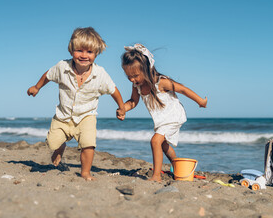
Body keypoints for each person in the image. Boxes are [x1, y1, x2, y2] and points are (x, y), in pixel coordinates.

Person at [27, 27, 125, 180]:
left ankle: (85, 172)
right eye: (79, 50)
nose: (84, 55)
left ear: (96, 53)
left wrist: (121, 107)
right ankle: (59, 148)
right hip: (63, 115)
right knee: (52, 142)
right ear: (71, 50)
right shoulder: (62, 67)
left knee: (89, 144)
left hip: (87, 116)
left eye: (89, 52)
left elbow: (113, 90)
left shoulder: (100, 74)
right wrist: (37, 87)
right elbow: (48, 75)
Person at [120, 44, 207, 182]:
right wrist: (123, 108)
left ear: (147, 69)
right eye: (128, 76)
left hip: (173, 116)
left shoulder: (161, 82)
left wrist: (200, 101)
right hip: (161, 120)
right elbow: (133, 101)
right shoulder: (137, 85)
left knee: (155, 140)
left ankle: (156, 176)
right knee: (164, 145)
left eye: (135, 75)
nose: (132, 80)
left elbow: (182, 89)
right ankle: (178, 166)